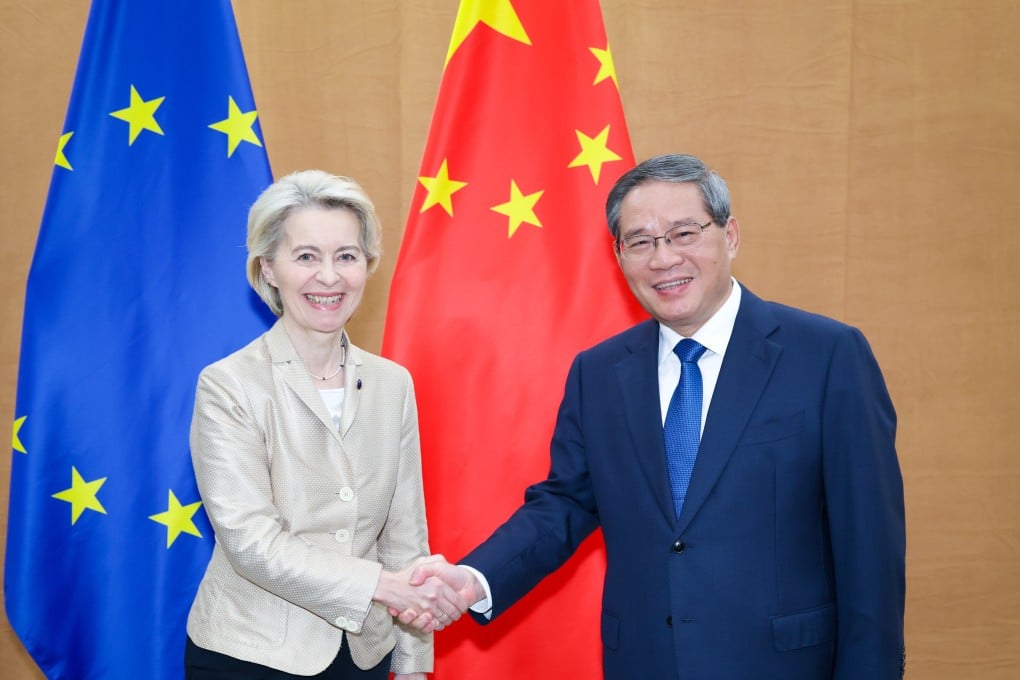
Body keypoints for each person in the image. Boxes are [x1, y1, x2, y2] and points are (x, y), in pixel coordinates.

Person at [401, 153, 906, 679]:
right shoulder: (598, 373)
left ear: (729, 235)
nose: (663, 259)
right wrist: (475, 579)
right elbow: (565, 505)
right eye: (640, 242)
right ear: (618, 255)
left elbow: (870, 549)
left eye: (684, 233)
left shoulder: (826, 356)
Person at [184, 170, 465, 680]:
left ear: (366, 265)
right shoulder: (227, 385)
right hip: (251, 654)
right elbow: (251, 542)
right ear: (268, 268)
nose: (330, 277)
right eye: (307, 256)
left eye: (347, 256)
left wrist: (415, 662)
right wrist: (382, 585)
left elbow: (404, 534)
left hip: (365, 655)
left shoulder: (392, 383)